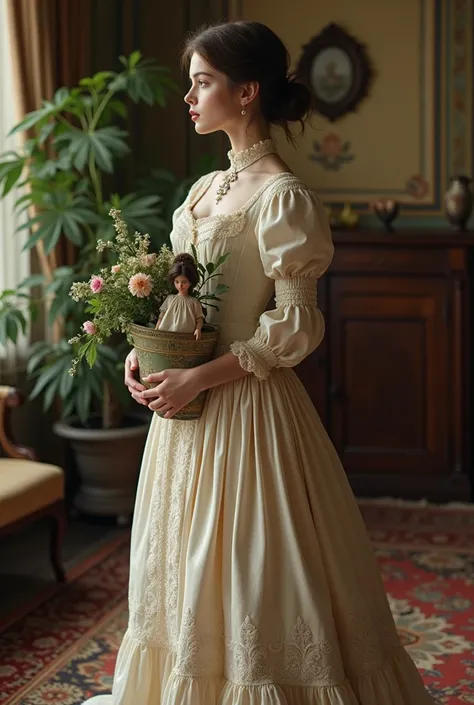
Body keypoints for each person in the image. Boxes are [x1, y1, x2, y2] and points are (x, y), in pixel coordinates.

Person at [83, 19, 435, 705]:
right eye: (189, 84)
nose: (188, 96)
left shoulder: (283, 198)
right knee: (181, 565)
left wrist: (198, 378)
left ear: (246, 93)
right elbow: (172, 297)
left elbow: (295, 325)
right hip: (183, 415)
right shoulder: (200, 193)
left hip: (246, 413)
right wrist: (142, 353)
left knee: (251, 570)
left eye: (202, 82)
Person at [156, 253, 204, 340]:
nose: (180, 285)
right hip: (167, 334)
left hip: (185, 337)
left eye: (184, 282)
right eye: (176, 282)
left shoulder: (194, 301)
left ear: (191, 282)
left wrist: (198, 329)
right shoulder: (170, 298)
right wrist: (156, 329)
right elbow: (161, 316)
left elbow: (199, 318)